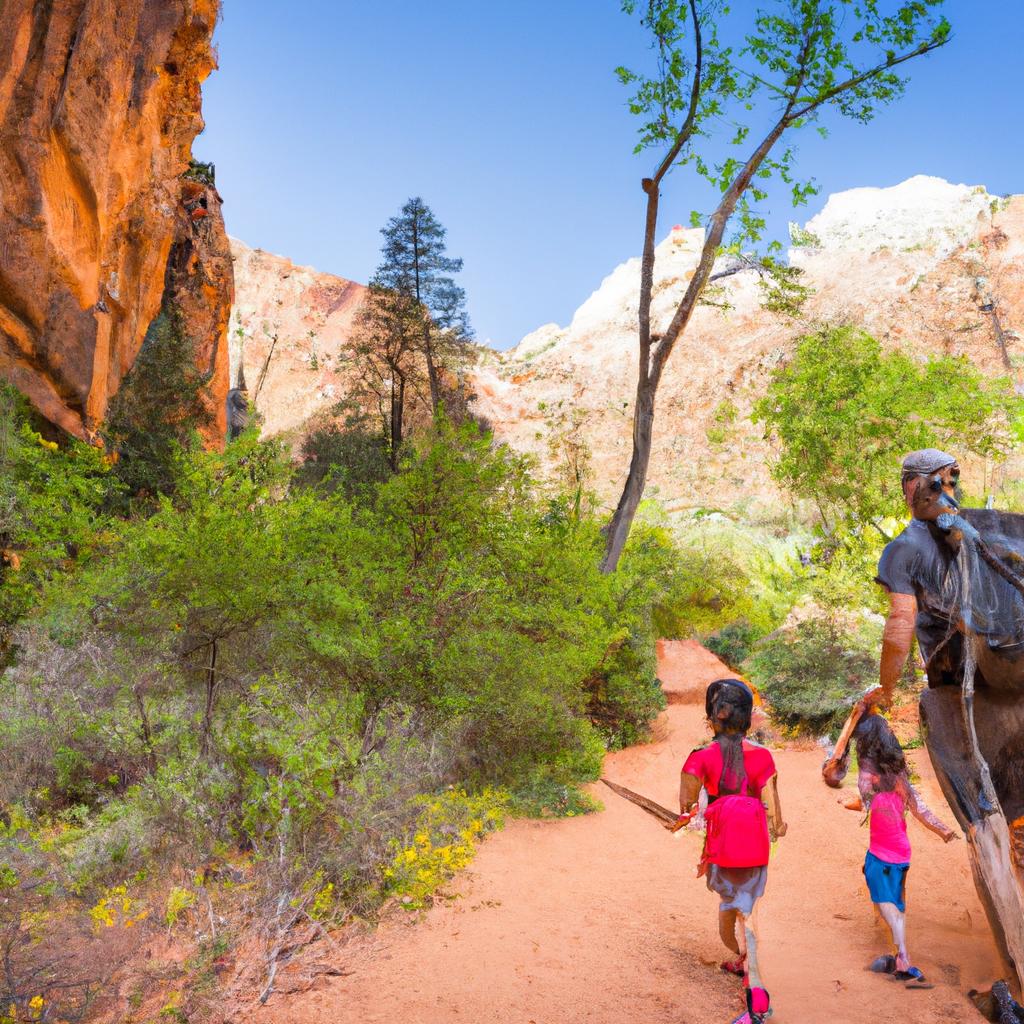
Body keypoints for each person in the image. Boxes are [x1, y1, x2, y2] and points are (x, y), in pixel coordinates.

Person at [679, 679, 786, 1024]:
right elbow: (775, 815)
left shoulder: (699, 758)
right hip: (755, 847)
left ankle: (756, 990)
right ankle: (744, 960)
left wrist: (682, 819)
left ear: (711, 718)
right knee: (746, 907)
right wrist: (777, 828)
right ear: (749, 718)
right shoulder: (764, 757)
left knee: (733, 910)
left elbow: (686, 808)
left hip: (723, 847)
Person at [846, 712, 958, 988]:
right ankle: (899, 957)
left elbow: (865, 799)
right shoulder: (899, 778)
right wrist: (943, 830)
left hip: (881, 853)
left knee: (885, 901)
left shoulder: (868, 776)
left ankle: (904, 959)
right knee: (895, 903)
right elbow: (920, 810)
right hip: (901, 853)